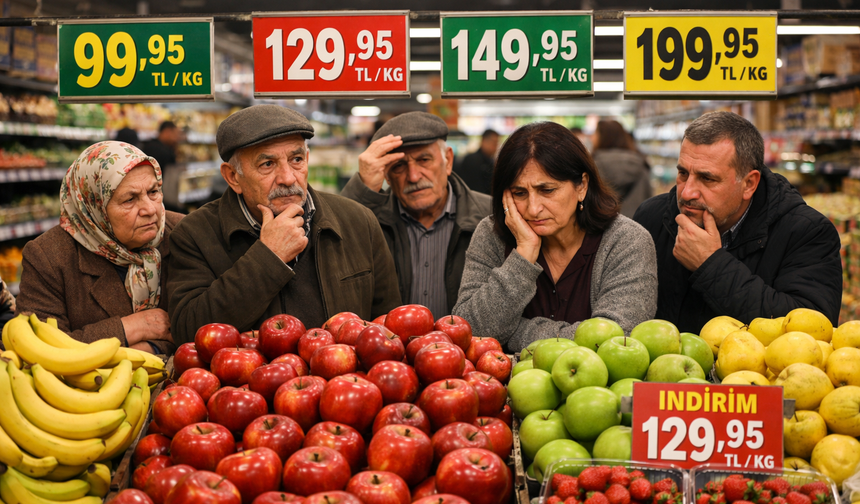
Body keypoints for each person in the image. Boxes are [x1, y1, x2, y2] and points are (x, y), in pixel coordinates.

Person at [167, 105, 401, 344]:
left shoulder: (358, 221)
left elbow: (388, 329)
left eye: (296, 159)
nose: (288, 178)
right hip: (246, 380)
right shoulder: (194, 234)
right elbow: (188, 330)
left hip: (345, 379)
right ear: (233, 177)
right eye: (267, 164)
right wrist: (268, 258)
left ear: (307, 159)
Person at [453, 122, 658, 352]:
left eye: (547, 190)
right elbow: (466, 330)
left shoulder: (626, 241)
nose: (533, 209)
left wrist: (510, 333)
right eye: (519, 193)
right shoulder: (492, 234)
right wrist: (523, 256)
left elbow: (615, 342)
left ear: (582, 186)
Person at [633, 111, 842, 334]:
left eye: (707, 178)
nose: (686, 192)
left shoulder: (807, 233)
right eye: (683, 173)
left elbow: (812, 330)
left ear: (749, 184)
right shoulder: (652, 217)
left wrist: (711, 265)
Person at [15, 141, 182, 354]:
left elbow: (210, 324)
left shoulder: (183, 233)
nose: (150, 209)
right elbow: (33, 348)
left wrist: (152, 347)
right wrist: (132, 327)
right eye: (130, 199)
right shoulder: (48, 256)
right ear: (94, 207)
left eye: (153, 191)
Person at [341, 112, 492, 320]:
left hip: (469, 351)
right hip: (390, 351)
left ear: (448, 160)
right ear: (385, 174)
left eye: (424, 160)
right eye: (399, 166)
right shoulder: (369, 219)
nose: (413, 176)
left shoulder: (491, 217)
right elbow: (336, 256)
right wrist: (362, 188)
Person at [592, 120, 652, 218]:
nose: (592, 137)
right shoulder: (640, 163)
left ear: (602, 137)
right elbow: (649, 198)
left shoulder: (593, 166)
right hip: (638, 223)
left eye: (595, 133)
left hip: (604, 224)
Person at [454, 129, 499, 194]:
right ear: (484, 141)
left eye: (496, 143)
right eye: (494, 143)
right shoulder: (472, 160)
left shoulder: (491, 161)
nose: (495, 147)